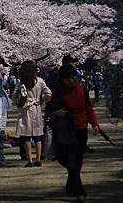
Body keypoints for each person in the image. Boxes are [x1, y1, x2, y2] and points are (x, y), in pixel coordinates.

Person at [48, 64, 100, 202]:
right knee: (67, 159)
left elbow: (88, 107)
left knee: (78, 159)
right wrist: (56, 113)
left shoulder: (82, 89)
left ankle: (72, 185)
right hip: (65, 128)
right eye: (68, 78)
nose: (71, 81)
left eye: (73, 77)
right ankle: (79, 191)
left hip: (81, 126)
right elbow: (50, 108)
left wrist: (94, 124)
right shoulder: (58, 91)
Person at [12, 60, 52, 167]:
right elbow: (48, 93)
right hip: (36, 108)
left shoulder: (21, 82)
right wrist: (41, 100)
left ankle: (29, 159)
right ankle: (38, 158)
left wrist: (18, 101)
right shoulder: (40, 81)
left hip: (25, 109)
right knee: (38, 135)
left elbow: (14, 97)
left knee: (26, 135)